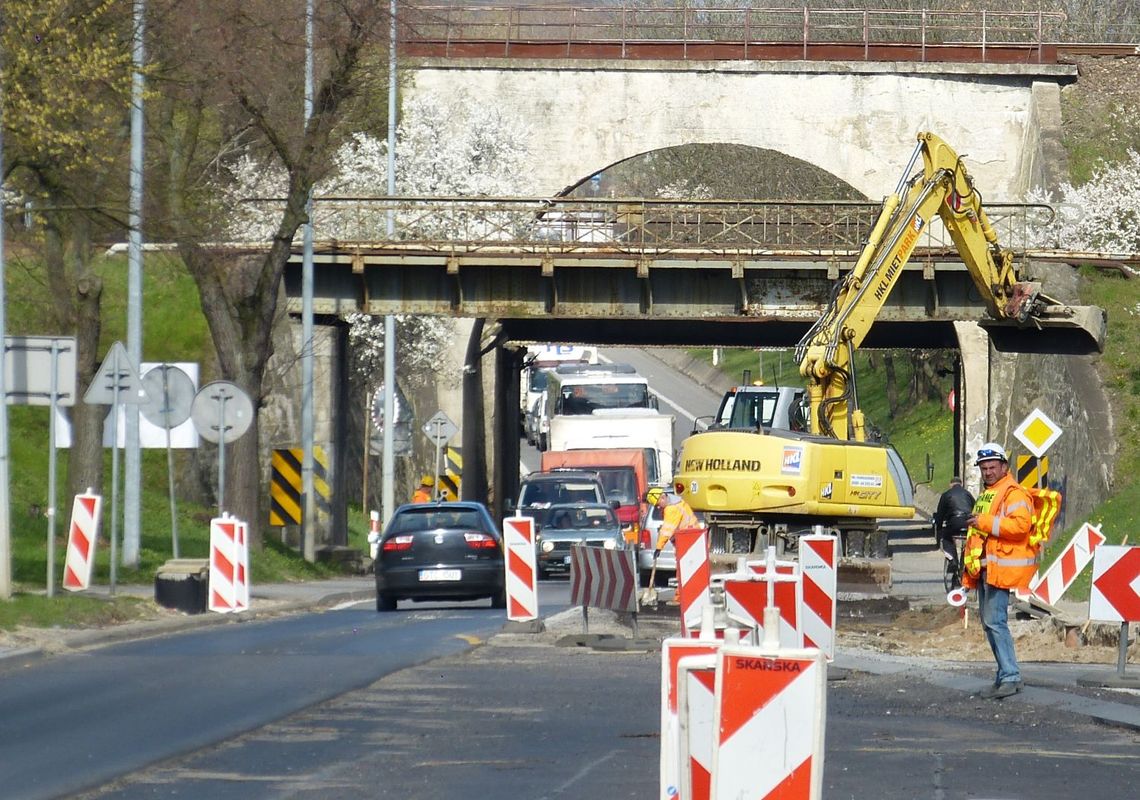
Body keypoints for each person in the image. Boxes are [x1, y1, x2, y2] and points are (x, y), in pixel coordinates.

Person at [961, 442, 1035, 700]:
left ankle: (1011, 676)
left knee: (996, 622)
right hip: (986, 568)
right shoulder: (990, 493)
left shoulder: (1013, 493)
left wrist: (982, 521)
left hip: (999, 568)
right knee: (990, 623)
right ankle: (1004, 674)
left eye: (992, 466)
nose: (988, 471)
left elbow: (1021, 526)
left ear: (1004, 466)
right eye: (984, 468)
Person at [933, 475, 975, 583]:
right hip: (968, 522)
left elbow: (940, 514)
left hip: (954, 522)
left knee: (947, 537)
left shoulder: (946, 494)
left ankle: (952, 560)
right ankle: (966, 559)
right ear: (961, 484)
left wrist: (938, 528)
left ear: (950, 485)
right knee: (969, 539)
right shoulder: (968, 494)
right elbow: (975, 508)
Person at [645, 487, 701, 555]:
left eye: (658, 504)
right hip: (693, 536)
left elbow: (667, 531)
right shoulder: (678, 502)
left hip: (686, 539)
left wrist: (658, 548)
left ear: (662, 498)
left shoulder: (671, 509)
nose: (658, 507)